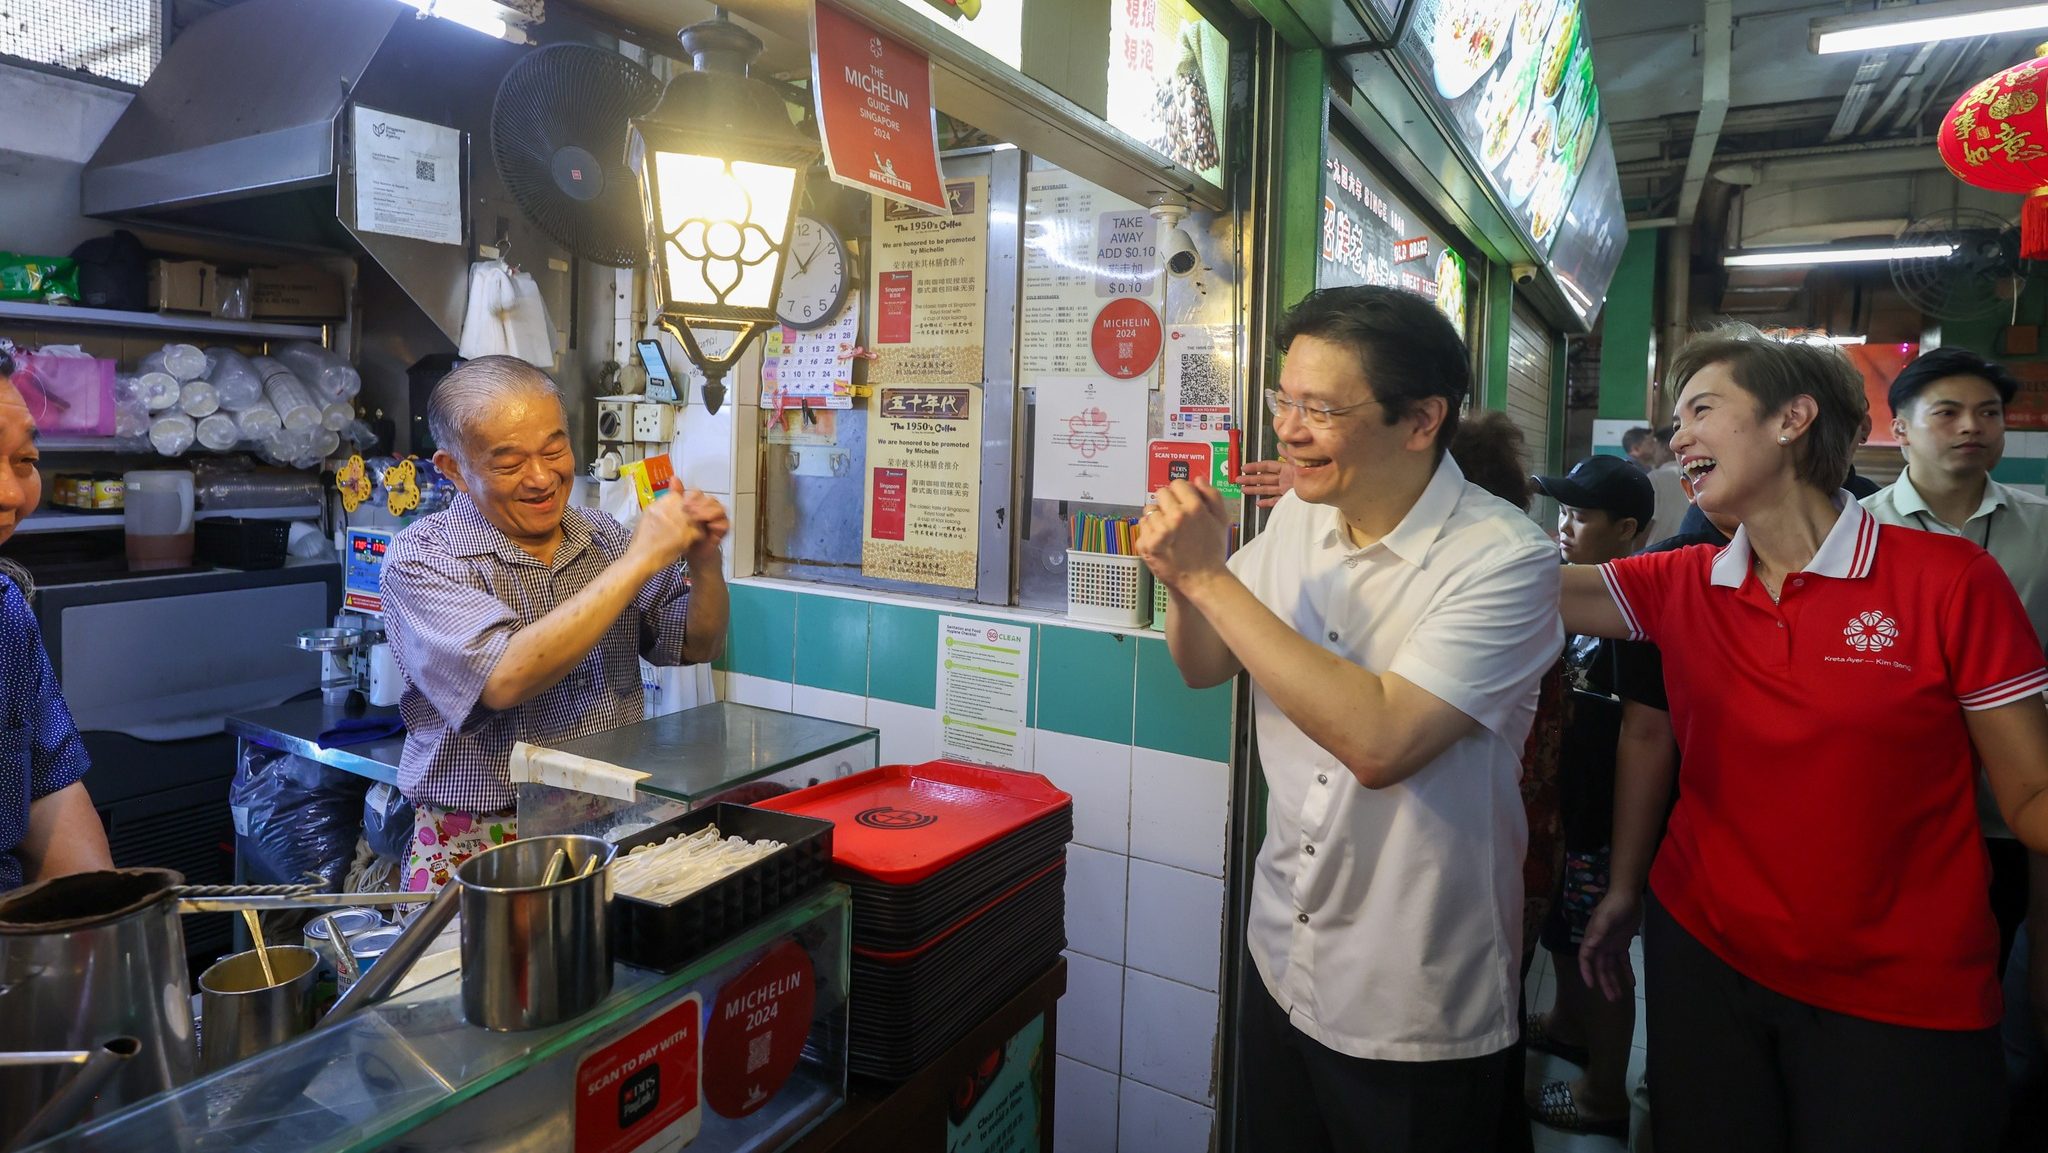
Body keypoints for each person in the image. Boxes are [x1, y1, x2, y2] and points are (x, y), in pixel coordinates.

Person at [1561, 324, 2048, 1152]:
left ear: (1792, 419)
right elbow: (1511, 589)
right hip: (1706, 956)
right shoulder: (1684, 580)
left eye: (1701, 409)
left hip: (1898, 995)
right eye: (1674, 420)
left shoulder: (1948, 581)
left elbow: (2030, 795)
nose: (1678, 436)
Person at [1138, 286, 1561, 1152]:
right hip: (1283, 949)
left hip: (1411, 986)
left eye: (1320, 409)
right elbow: (1204, 666)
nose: (1288, 429)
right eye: (1283, 401)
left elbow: (1380, 740)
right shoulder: (1300, 513)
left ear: (1419, 421)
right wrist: (1184, 581)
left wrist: (1213, 580)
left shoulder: (1505, 559)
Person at [381, 356, 729, 891]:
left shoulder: (603, 536)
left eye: (554, 449)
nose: (542, 477)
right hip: (483, 839)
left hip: (607, 824)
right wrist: (639, 561)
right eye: (509, 462)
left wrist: (705, 561)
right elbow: (502, 678)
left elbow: (695, 644)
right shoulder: (426, 557)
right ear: (452, 468)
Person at [1860, 346, 2048, 1144]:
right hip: (1893, 815)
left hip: (2011, 812)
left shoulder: (2041, 527)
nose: (1972, 427)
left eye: (1989, 412)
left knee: (1996, 967)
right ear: (1898, 428)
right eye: (1947, 412)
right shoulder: (1853, 533)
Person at [1523, 455, 1654, 1138]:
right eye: (1563, 512)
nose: (1565, 527)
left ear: (1627, 528)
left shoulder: (1636, 614)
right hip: (1568, 813)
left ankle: (1604, 1092)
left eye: (1581, 516)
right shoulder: (1582, 595)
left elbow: (1645, 736)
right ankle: (1570, 1027)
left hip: (1602, 825)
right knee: (1565, 940)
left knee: (1599, 953)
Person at [0, 338, 114, 891]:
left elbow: (50, 795)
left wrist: (113, 950)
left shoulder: (5, 616)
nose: (9, 493)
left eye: (24, 461)